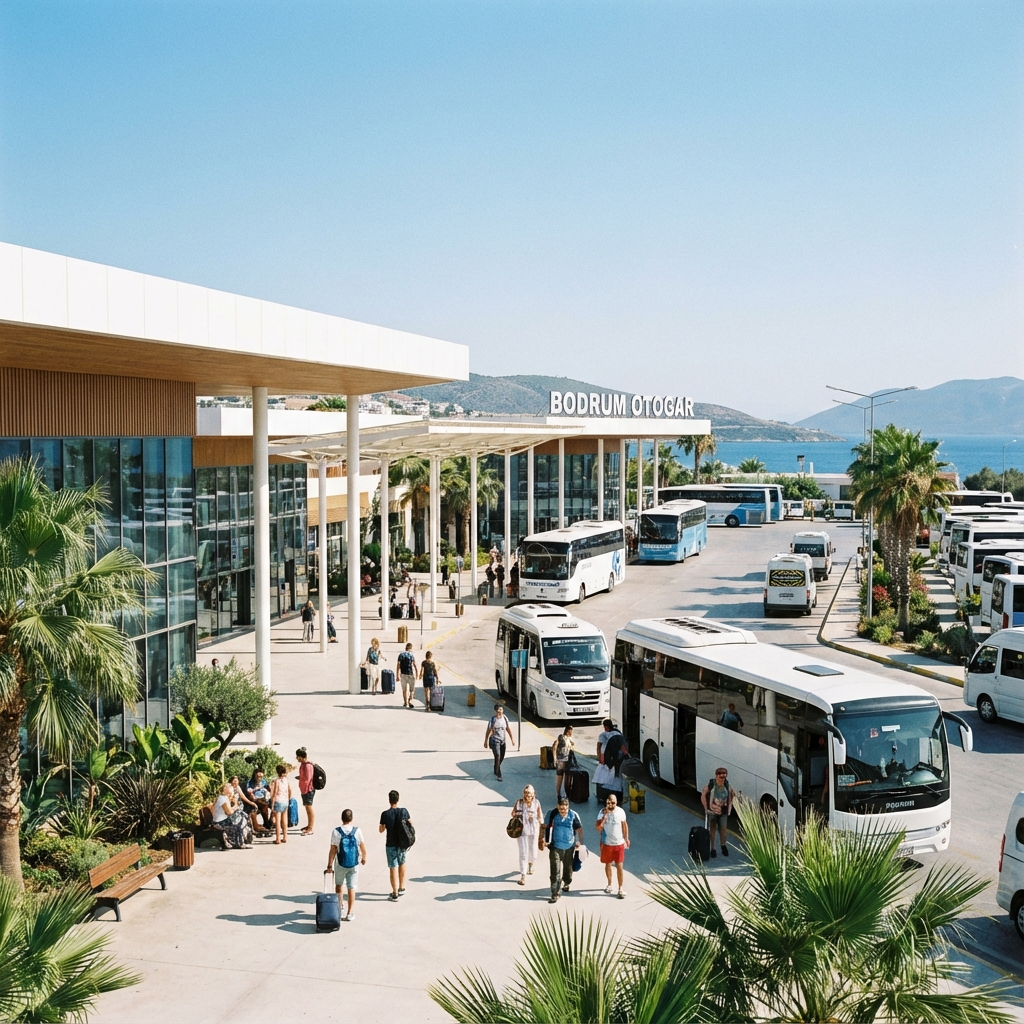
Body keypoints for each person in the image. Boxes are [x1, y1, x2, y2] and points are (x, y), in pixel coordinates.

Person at [540, 796, 583, 903]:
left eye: (565, 808)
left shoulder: (573, 815)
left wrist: (580, 843)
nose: (562, 811)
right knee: (555, 870)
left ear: (568, 806)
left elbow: (579, 829)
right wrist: (541, 839)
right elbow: (544, 826)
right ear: (557, 806)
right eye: (560, 808)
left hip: (570, 846)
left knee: (568, 869)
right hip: (555, 847)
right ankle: (555, 893)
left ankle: (567, 882)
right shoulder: (552, 814)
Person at [327, 808, 366, 923]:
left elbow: (333, 849)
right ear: (351, 819)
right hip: (354, 864)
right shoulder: (357, 831)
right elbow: (362, 845)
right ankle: (350, 912)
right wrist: (364, 857)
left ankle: (340, 907)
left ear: (342, 819)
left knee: (339, 886)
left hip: (340, 863)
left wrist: (329, 865)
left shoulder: (336, 831)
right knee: (351, 887)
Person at [379, 789, 412, 902]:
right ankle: (402, 887)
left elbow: (381, 830)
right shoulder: (404, 811)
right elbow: (410, 824)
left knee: (393, 867)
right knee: (402, 863)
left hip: (391, 843)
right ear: (398, 800)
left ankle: (394, 893)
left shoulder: (385, 814)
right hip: (402, 843)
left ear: (389, 800)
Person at [596, 793, 630, 898]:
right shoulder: (601, 813)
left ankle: (620, 888)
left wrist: (626, 838)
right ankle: (609, 884)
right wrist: (605, 816)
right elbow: (598, 828)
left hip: (619, 844)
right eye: (609, 802)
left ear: (616, 802)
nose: (611, 805)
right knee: (608, 864)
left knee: (619, 866)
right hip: (607, 843)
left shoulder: (621, 812)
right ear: (606, 802)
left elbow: (624, 825)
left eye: (613, 803)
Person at [701, 767, 737, 858]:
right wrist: (706, 808)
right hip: (712, 812)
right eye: (720, 777)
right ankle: (712, 848)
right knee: (712, 830)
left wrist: (729, 808)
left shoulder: (727, 785)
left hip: (723, 812)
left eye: (724, 777)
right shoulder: (711, 785)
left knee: (723, 830)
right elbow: (703, 795)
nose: (722, 779)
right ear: (716, 776)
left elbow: (733, 795)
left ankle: (723, 846)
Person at [512, 784, 543, 885]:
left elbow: (540, 817)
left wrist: (542, 833)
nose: (527, 795)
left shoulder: (536, 803)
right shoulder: (519, 803)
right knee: (523, 853)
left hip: (534, 831)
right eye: (525, 793)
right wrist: (518, 815)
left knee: (533, 852)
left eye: (529, 793)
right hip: (522, 832)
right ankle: (523, 875)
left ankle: (530, 864)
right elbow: (513, 813)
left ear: (533, 794)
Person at [594, 719, 625, 803]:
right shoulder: (618, 733)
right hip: (616, 759)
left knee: (602, 776)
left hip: (606, 758)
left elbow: (599, 746)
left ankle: (603, 796)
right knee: (616, 777)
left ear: (606, 727)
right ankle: (617, 796)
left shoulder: (603, 735)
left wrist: (599, 756)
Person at [211, 783, 250, 850]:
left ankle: (239, 841)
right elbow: (229, 812)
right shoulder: (222, 799)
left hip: (221, 820)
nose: (232, 788)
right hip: (220, 822)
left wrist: (234, 803)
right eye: (230, 787)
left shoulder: (223, 797)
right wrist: (235, 805)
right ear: (225, 789)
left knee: (241, 816)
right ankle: (239, 842)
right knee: (241, 817)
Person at [484, 703, 516, 781]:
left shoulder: (505, 718)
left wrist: (512, 739)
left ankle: (496, 767)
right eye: (498, 710)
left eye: (501, 709)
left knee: (502, 756)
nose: (499, 711)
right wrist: (485, 741)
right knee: (497, 756)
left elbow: (508, 729)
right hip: (495, 740)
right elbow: (488, 731)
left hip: (503, 741)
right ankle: (499, 774)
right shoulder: (493, 719)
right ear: (495, 711)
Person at [268, 764, 294, 844]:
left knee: (278, 821)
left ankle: (278, 838)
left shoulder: (276, 781)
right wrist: (289, 799)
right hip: (285, 801)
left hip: (278, 801)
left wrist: (272, 803)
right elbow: (290, 790)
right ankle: (285, 837)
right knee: (284, 820)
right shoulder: (286, 780)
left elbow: (274, 793)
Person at [245, 769, 273, 834]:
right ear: (255, 774)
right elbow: (249, 792)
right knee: (263, 805)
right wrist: (255, 789)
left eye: (261, 776)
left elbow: (268, 788)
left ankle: (270, 821)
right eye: (258, 776)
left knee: (274, 805)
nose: (260, 778)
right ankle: (266, 823)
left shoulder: (263, 781)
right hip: (255, 798)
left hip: (263, 797)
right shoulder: (250, 782)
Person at [295, 747, 315, 835]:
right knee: (307, 808)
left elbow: (308, 779)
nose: (297, 758)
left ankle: (310, 828)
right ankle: (308, 825)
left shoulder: (307, 766)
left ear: (302, 757)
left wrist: (305, 791)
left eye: (298, 756)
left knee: (309, 808)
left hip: (308, 790)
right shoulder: (303, 764)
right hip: (304, 790)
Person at [553, 725, 575, 801]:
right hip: (561, 760)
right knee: (560, 777)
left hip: (567, 760)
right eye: (571, 731)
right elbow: (555, 745)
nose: (571, 732)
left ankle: (565, 793)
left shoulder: (569, 739)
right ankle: (559, 793)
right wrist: (554, 758)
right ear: (568, 731)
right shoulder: (561, 737)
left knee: (566, 778)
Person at [397, 642, 418, 708]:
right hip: (411, 674)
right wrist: (417, 673)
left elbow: (398, 665)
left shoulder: (401, 655)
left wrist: (397, 675)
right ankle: (410, 700)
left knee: (404, 690)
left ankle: (406, 703)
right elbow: (414, 665)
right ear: (411, 648)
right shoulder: (411, 655)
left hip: (403, 674)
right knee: (412, 689)